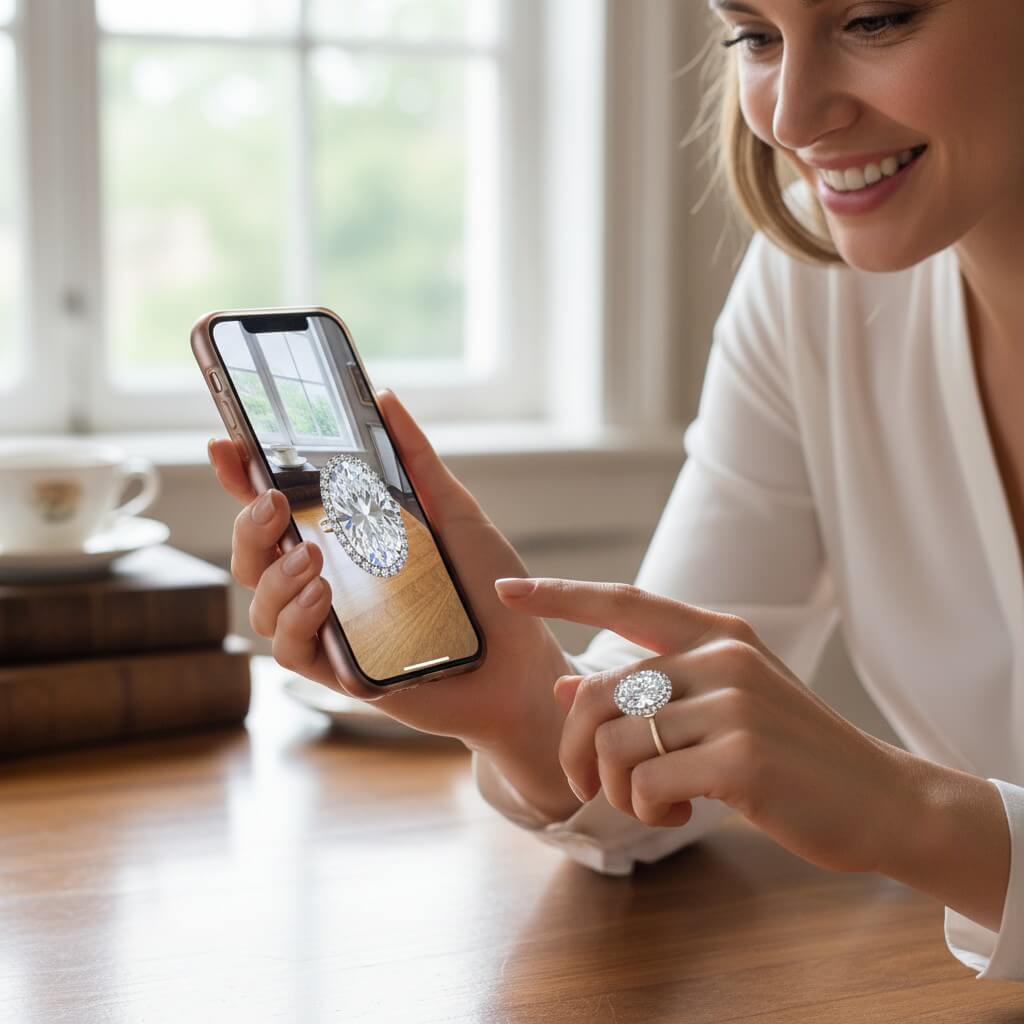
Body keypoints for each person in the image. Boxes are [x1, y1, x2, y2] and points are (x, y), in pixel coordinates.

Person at [207, 0, 1024, 982]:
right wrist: (520, 695)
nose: (790, 116)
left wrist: (910, 813)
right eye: (754, 36)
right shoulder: (812, 292)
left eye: (876, 20)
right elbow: (665, 718)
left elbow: (895, 810)